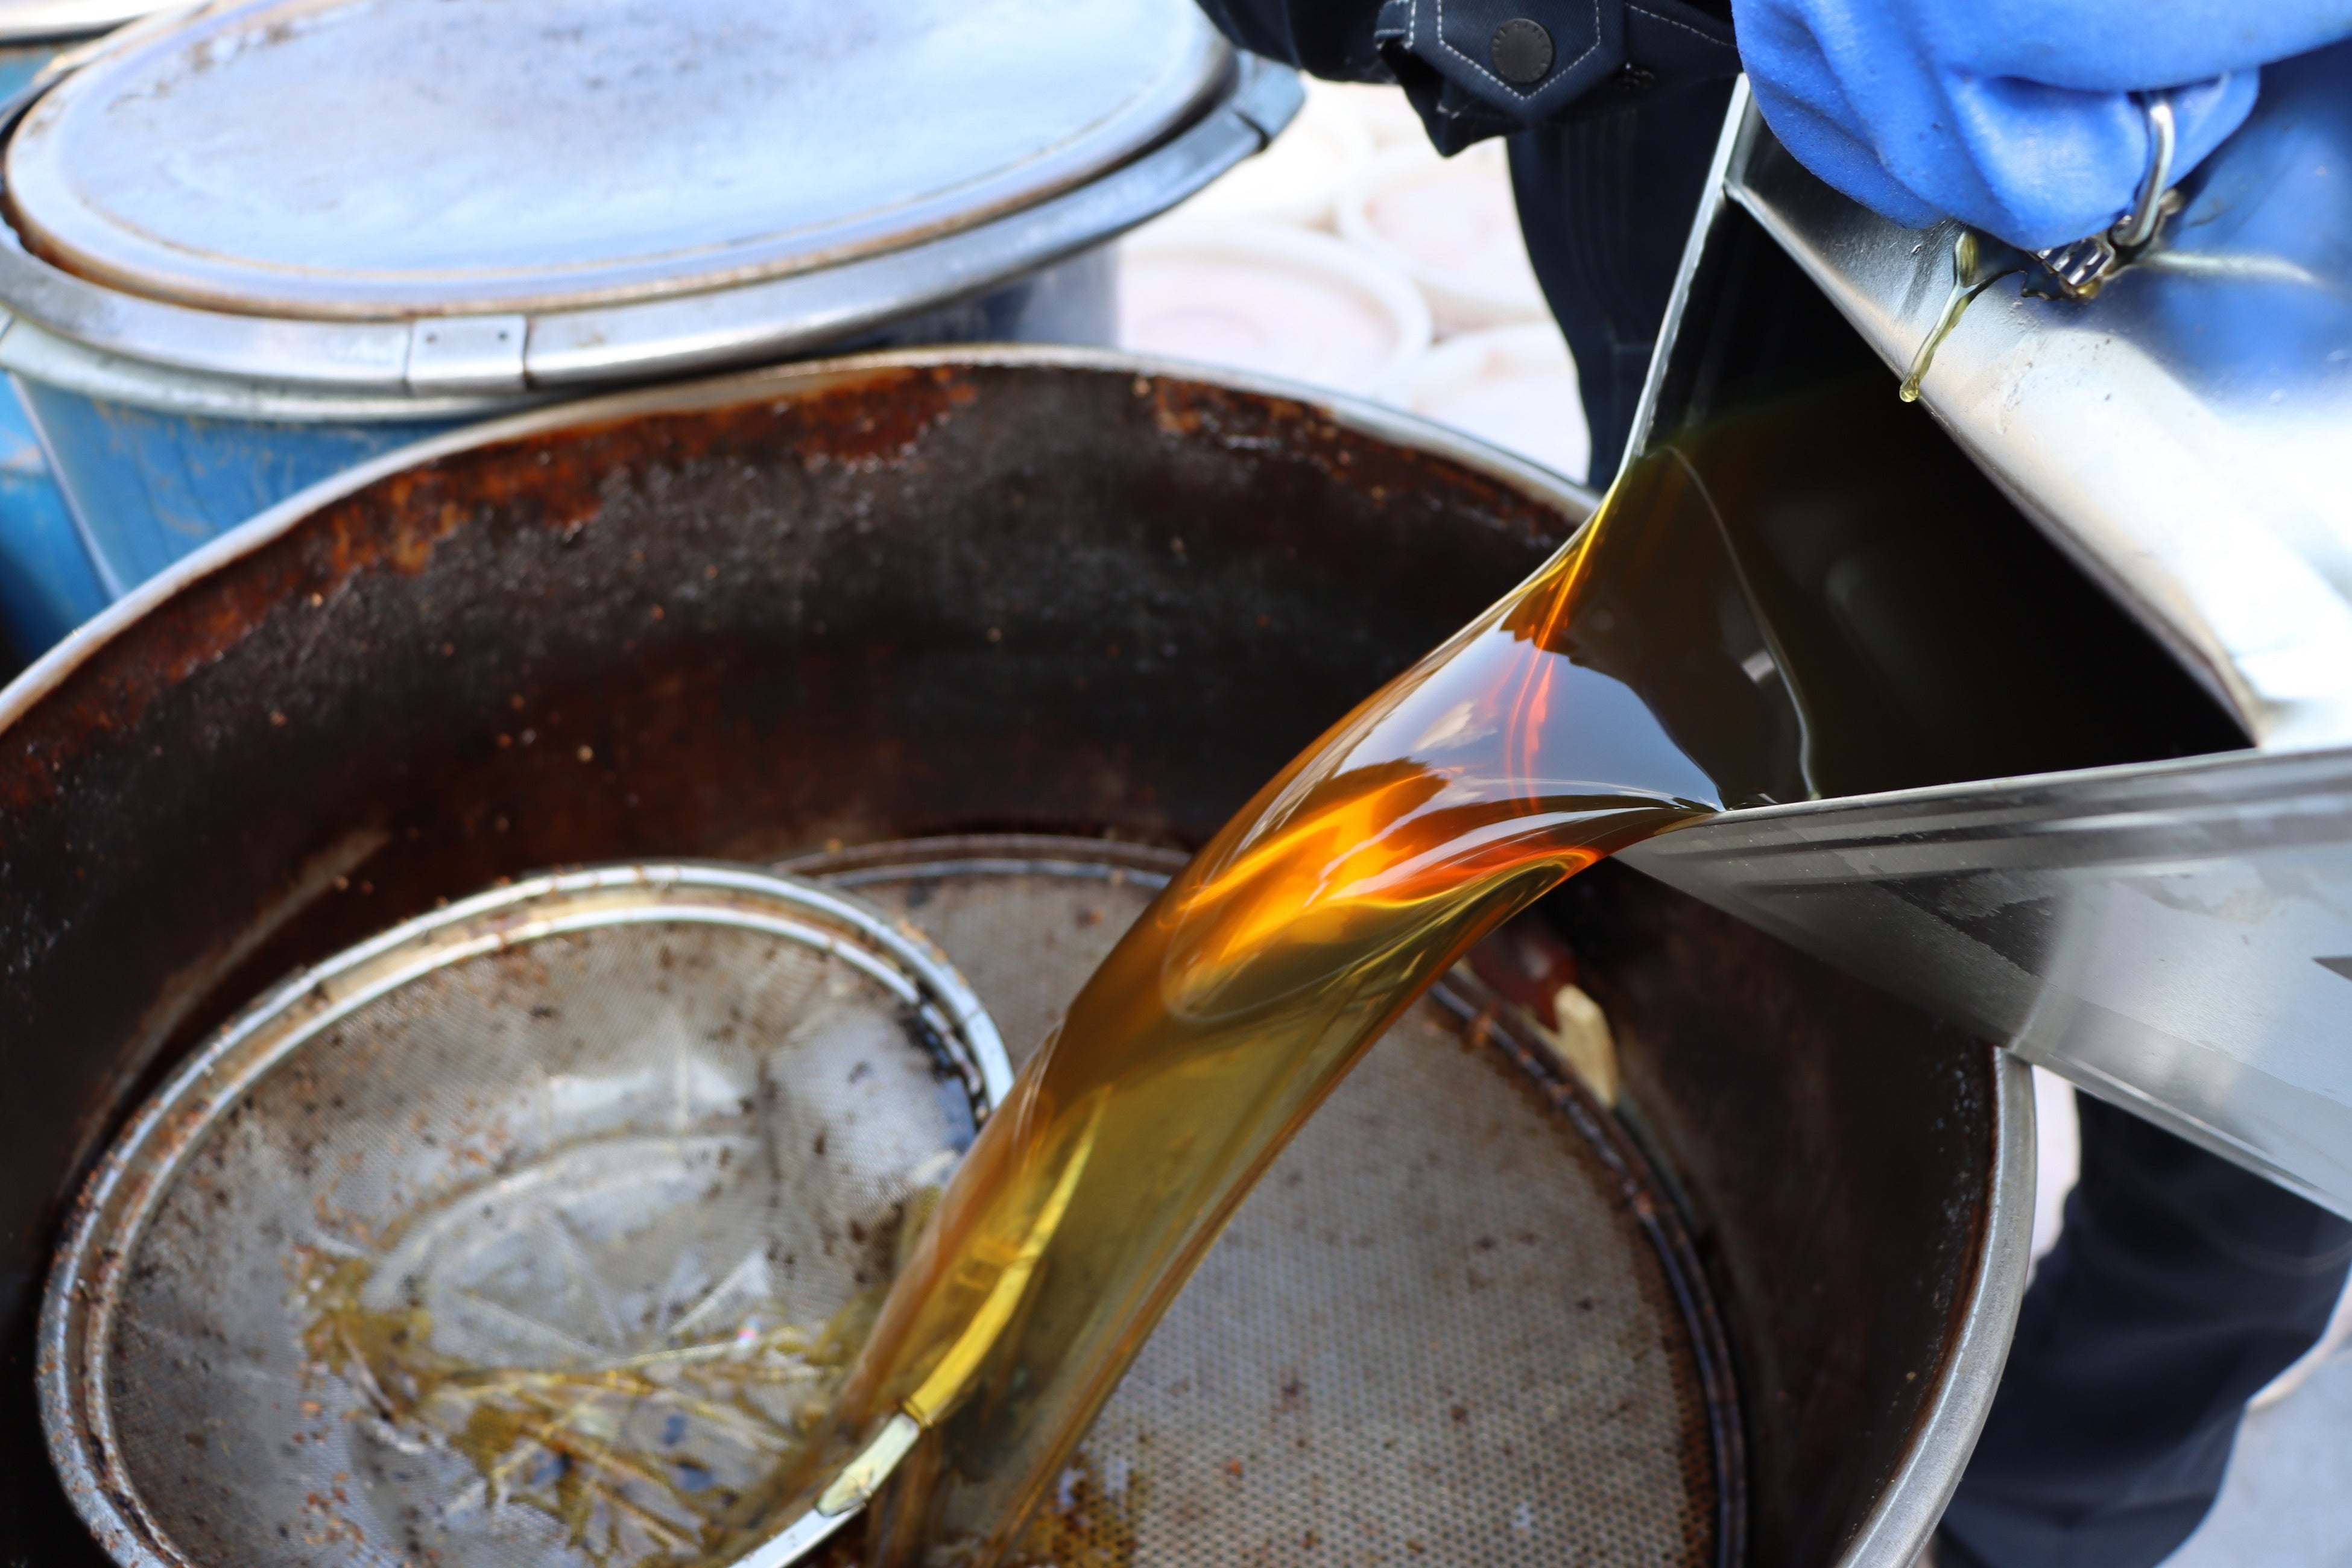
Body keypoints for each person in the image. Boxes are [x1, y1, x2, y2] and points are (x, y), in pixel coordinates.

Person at [1189, 2, 2352, 1564]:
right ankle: (1644, 1037)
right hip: (1738, 153)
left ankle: (2022, 1523)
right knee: (1702, 663)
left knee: (2249, 1109)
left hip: (2304, 445)